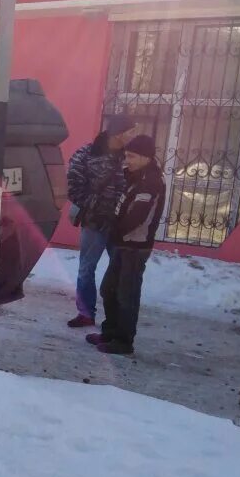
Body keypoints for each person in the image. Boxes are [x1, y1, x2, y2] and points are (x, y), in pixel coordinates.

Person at [86, 134, 167, 357]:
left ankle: (123, 341)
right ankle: (110, 332)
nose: (127, 159)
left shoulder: (150, 182)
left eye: (131, 156)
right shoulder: (132, 176)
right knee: (108, 289)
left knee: (127, 294)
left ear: (145, 157)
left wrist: (114, 230)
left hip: (135, 246)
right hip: (122, 243)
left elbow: (138, 217)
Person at [65, 115, 136, 327]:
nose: (133, 136)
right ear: (118, 133)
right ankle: (86, 313)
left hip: (121, 225)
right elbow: (73, 186)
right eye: (130, 131)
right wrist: (93, 208)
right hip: (95, 223)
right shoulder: (87, 154)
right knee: (86, 268)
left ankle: (116, 318)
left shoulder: (131, 157)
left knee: (120, 271)